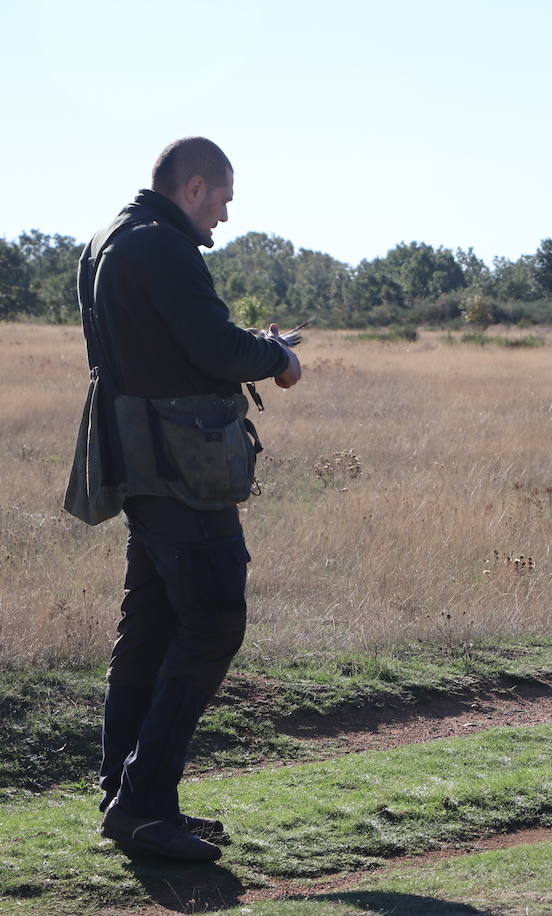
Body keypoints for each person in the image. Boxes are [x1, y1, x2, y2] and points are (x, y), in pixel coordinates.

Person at [67, 137, 302, 862]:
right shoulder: (162, 246)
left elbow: (176, 344)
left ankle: (132, 800)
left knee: (152, 632)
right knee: (213, 621)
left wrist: (244, 345)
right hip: (180, 470)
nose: (223, 219)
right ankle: (140, 803)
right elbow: (214, 349)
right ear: (194, 187)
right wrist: (277, 357)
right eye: (223, 200)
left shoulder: (108, 238)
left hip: (145, 467)